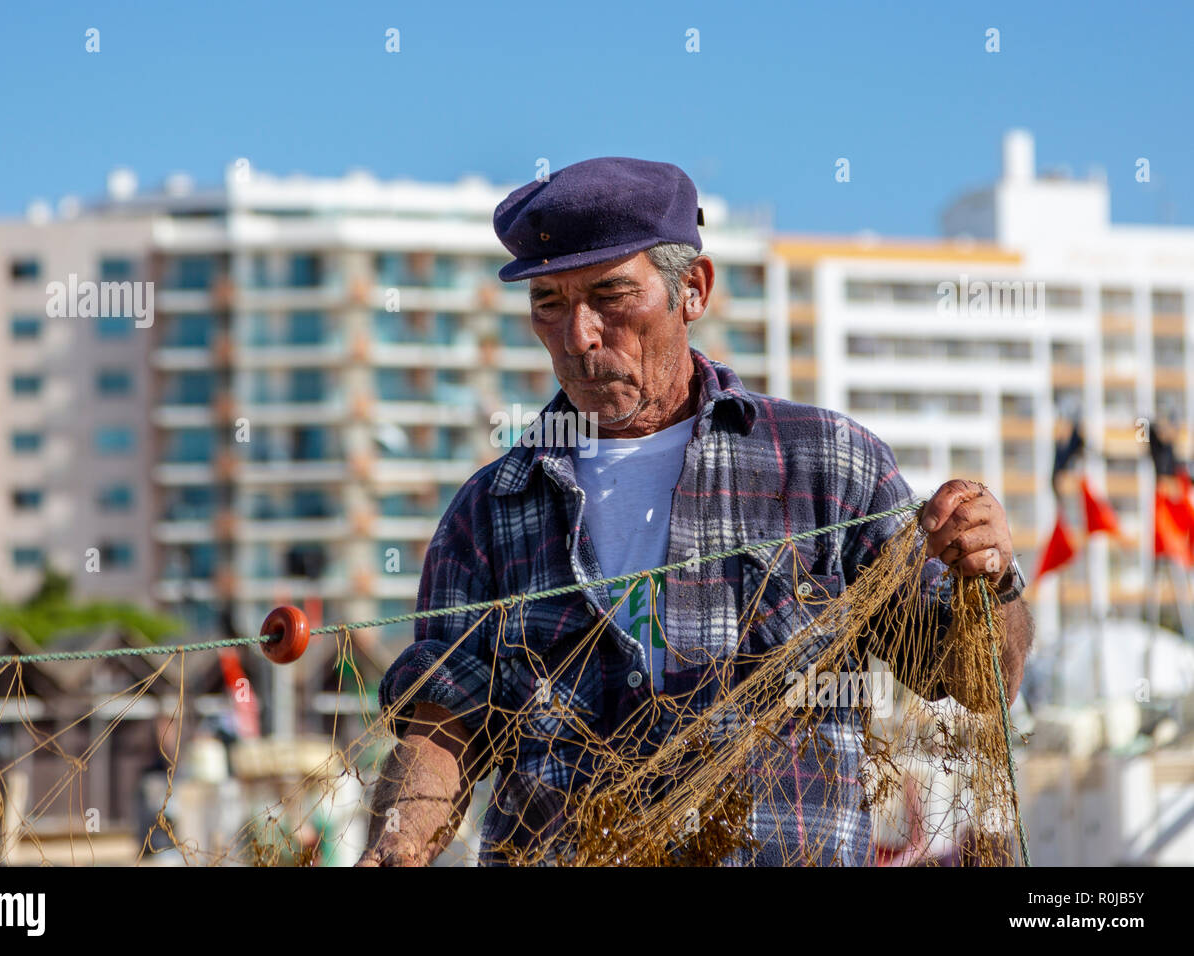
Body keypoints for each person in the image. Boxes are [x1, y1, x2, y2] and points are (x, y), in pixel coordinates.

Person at [357, 157, 1034, 866]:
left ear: (693, 291)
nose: (578, 335)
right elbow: (442, 730)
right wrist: (394, 849)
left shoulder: (830, 466)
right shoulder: (490, 512)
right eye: (549, 303)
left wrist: (992, 574)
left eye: (610, 295)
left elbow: (976, 678)